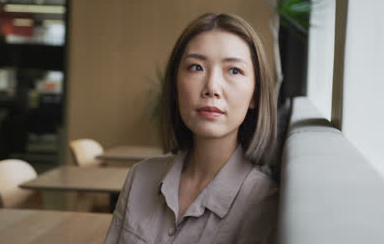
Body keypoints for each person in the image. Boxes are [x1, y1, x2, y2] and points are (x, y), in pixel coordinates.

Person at [104, 13, 278, 244]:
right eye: (196, 67)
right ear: (175, 85)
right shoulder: (141, 177)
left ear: (255, 95)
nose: (212, 87)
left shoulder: (264, 201)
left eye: (234, 70)